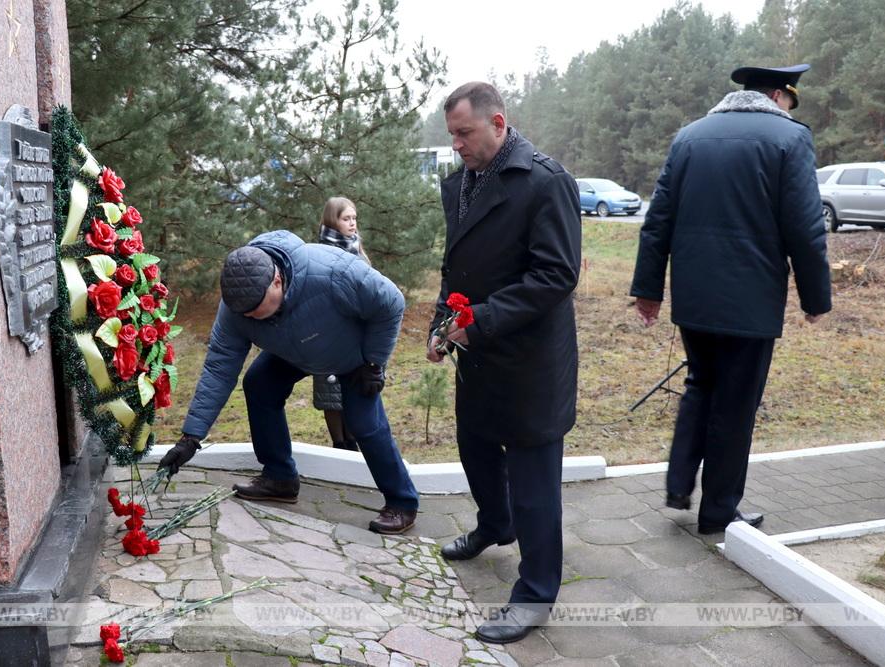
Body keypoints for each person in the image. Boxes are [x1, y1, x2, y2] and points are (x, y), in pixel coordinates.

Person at [630, 64, 831, 535]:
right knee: (736, 404)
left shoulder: (689, 137)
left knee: (702, 383)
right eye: (788, 101)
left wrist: (648, 290)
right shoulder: (790, 139)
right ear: (780, 95)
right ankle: (718, 511)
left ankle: (680, 483)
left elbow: (658, 219)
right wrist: (815, 296)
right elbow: (805, 227)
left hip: (695, 297)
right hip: (751, 298)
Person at [427, 81, 581, 644]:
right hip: (478, 351)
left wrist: (481, 320)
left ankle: (536, 593)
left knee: (534, 480)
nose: (456, 146)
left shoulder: (544, 181)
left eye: (464, 133)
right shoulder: (461, 183)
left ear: (498, 122)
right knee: (474, 446)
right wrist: (443, 326)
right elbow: (456, 270)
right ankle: (496, 524)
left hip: (531, 360)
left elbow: (557, 275)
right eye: (451, 136)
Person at [158, 230, 419, 534]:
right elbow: (219, 367)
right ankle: (280, 478)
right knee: (260, 384)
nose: (252, 319)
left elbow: (391, 303)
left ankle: (402, 502)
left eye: (257, 309)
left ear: (277, 280)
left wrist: (374, 361)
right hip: (293, 350)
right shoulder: (237, 308)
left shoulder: (332, 272)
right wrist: (192, 437)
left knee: (363, 422)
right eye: (247, 315)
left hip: (352, 357)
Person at [313, 196, 369, 452]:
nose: (352, 224)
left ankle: (352, 441)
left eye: (354, 218)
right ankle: (339, 443)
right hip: (328, 334)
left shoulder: (357, 248)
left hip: (356, 335)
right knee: (330, 392)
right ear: (332, 221)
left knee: (351, 391)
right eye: (346, 219)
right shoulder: (320, 252)